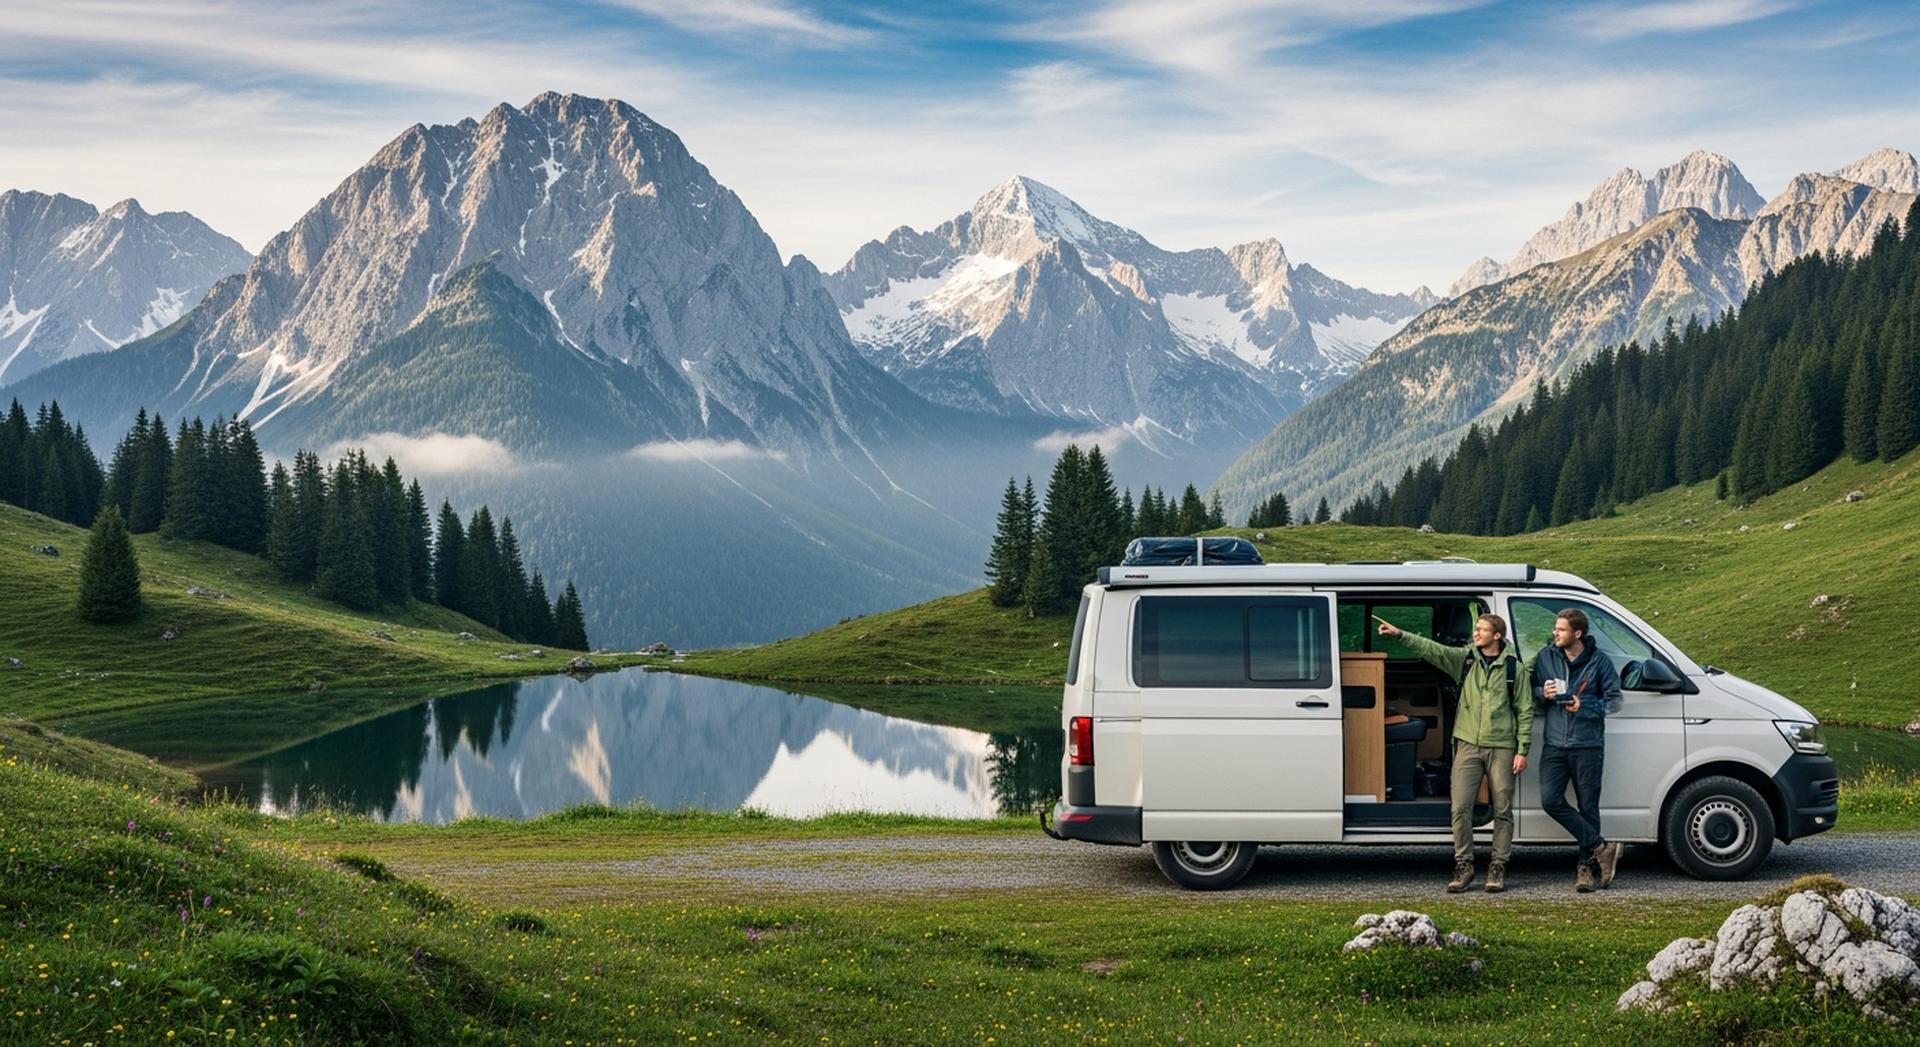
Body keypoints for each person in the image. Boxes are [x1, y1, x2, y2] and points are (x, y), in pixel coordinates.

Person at [1375, 612, 1531, 893]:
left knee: (1503, 808)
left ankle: (1498, 867)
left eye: (1482, 629)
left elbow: (1525, 710)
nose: (1476, 633)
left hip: (1503, 746)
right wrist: (1401, 635)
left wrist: (1522, 750)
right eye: (1476, 628)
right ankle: (1464, 865)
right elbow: (1432, 650)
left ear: (1497, 635)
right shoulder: (1465, 660)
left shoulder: (1514, 669)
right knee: (1459, 808)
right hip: (1467, 743)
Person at [1531, 607, 1623, 892]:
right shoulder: (1546, 656)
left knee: (1588, 807)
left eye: (1561, 629)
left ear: (1578, 633)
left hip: (1587, 745)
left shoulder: (1600, 661)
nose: (1555, 633)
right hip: (1554, 744)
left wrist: (1585, 706)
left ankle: (1586, 868)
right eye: (1555, 628)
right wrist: (1542, 693)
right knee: (1550, 800)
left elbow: (1615, 701)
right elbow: (1530, 691)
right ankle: (1601, 847)